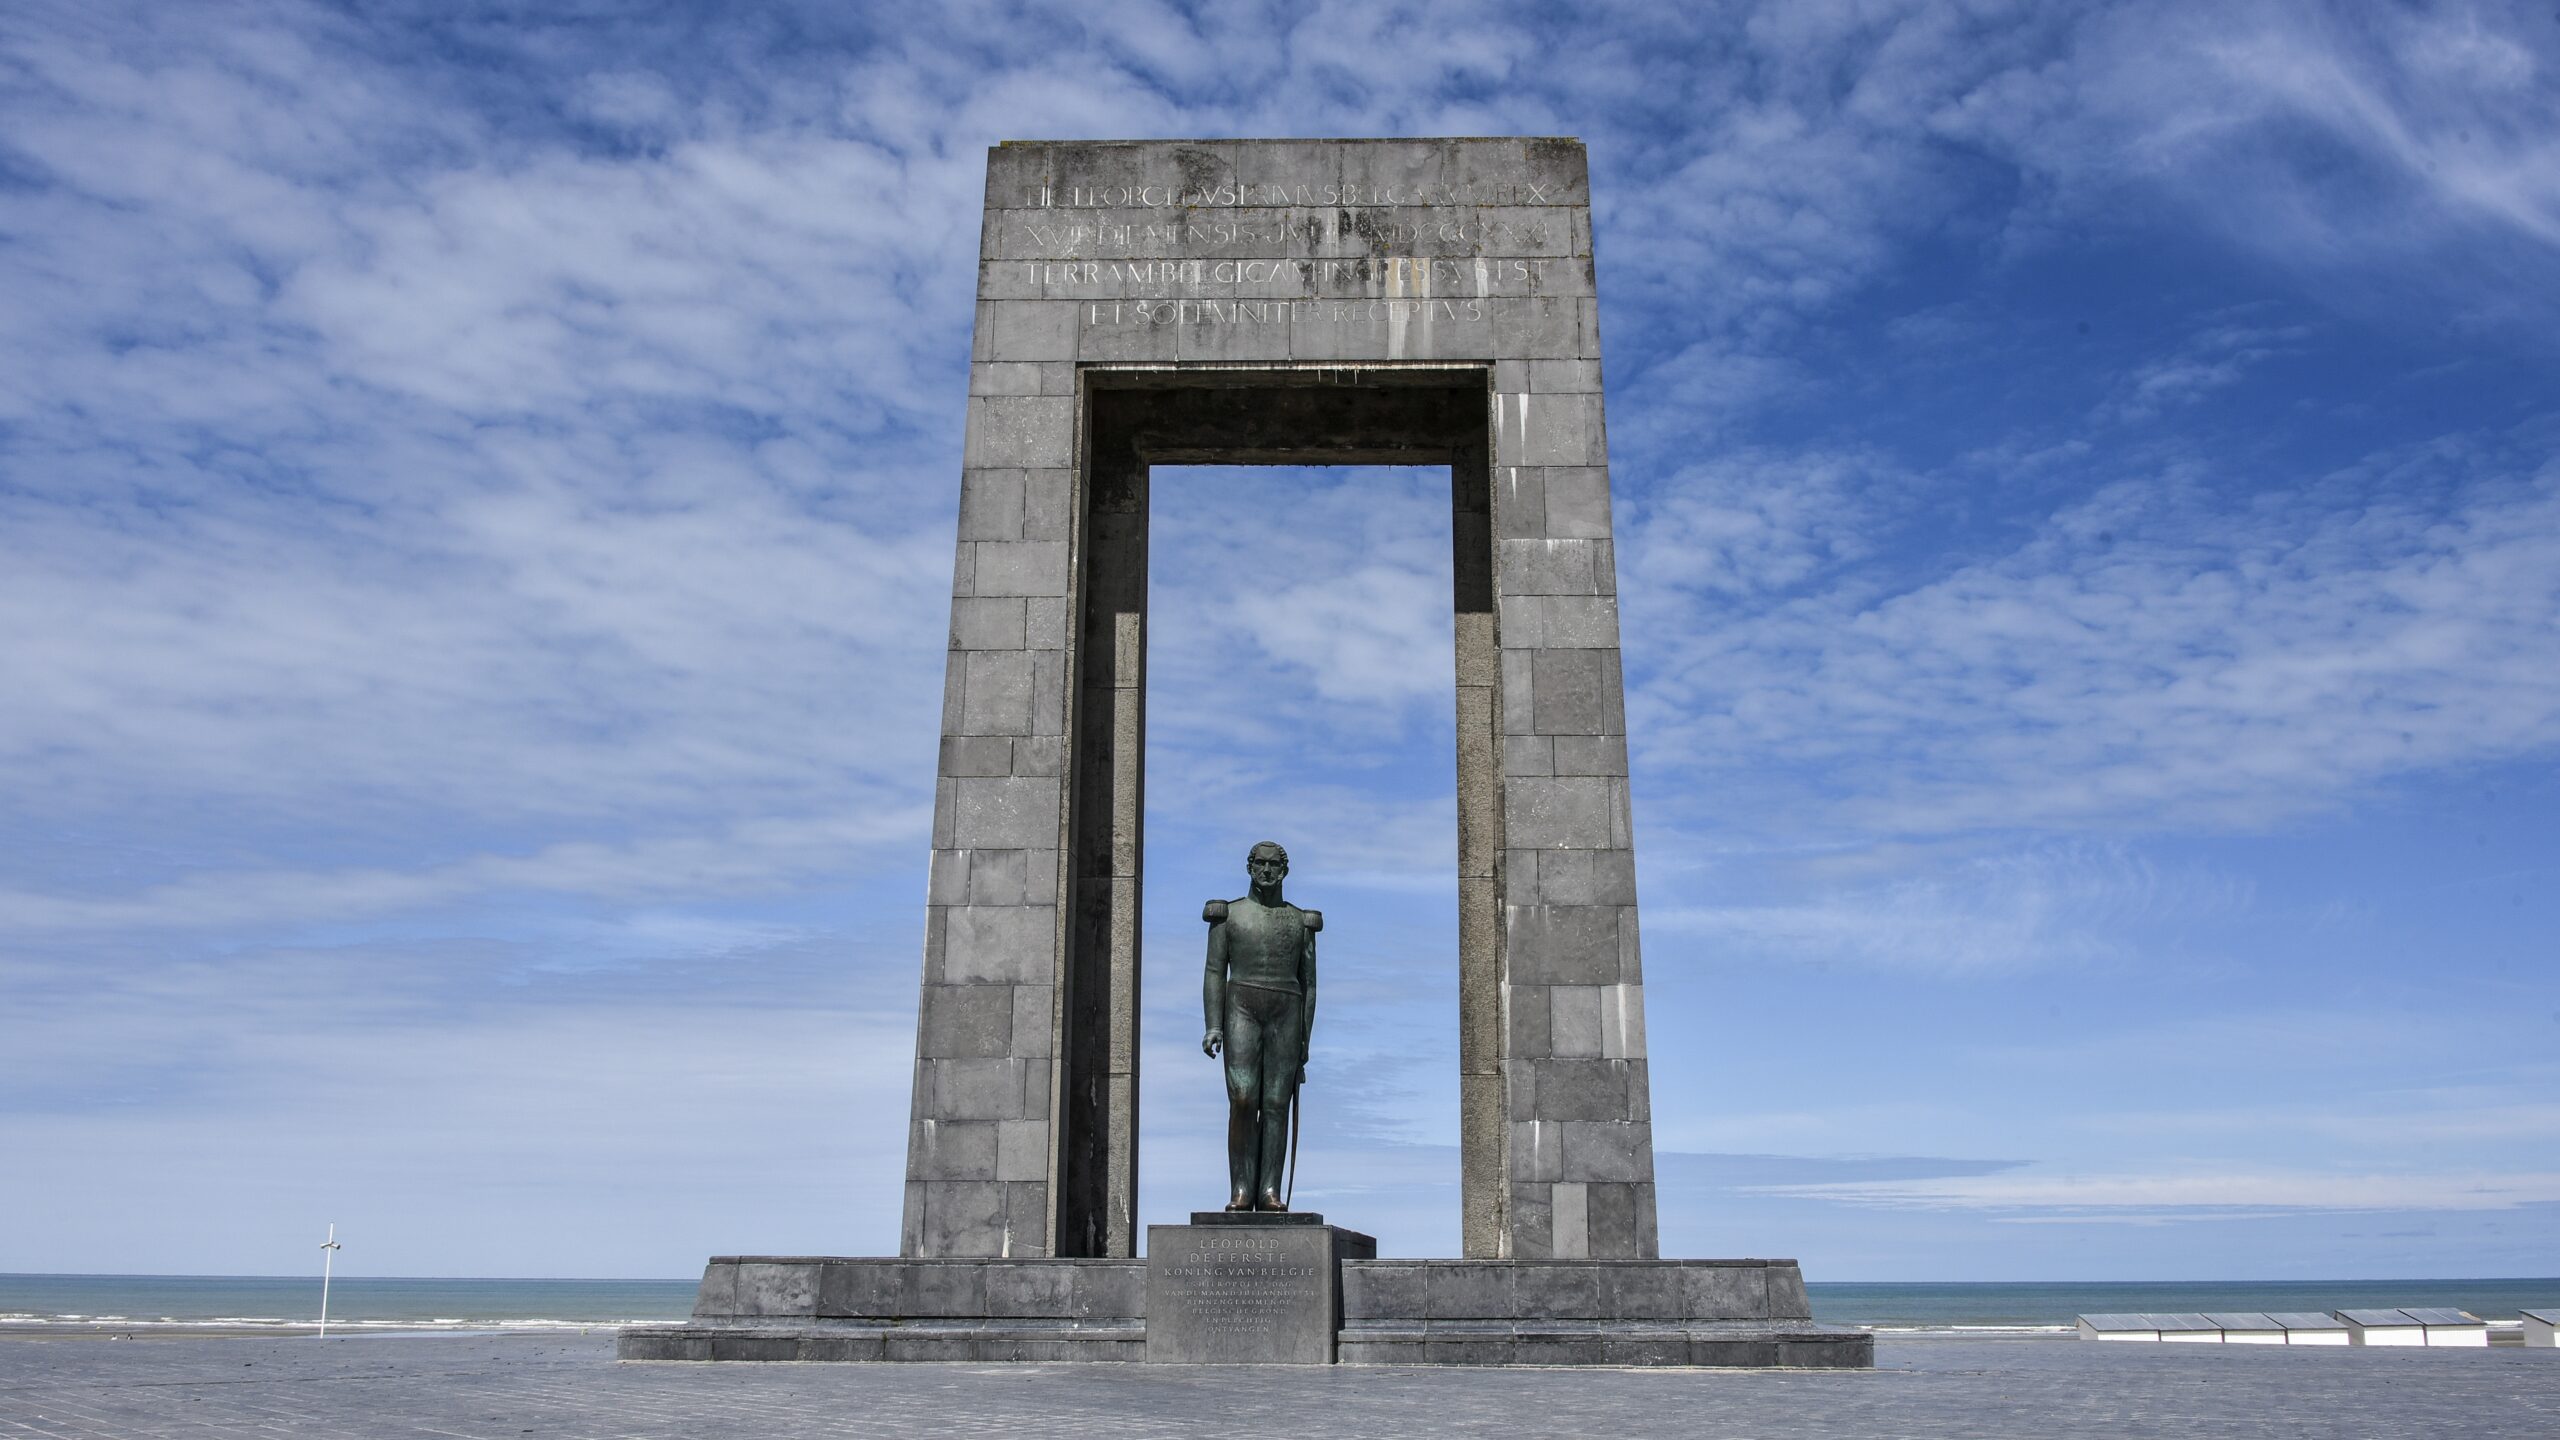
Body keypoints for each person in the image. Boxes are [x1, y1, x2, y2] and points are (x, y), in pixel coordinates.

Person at [1201, 841, 1320, 1211]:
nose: (1266, 871)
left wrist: (1305, 1038)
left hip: (1286, 1008)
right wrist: (1212, 1025)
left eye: (1273, 865)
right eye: (1259, 864)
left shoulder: (1300, 921)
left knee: (1274, 1104)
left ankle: (1269, 1190)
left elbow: (1310, 983)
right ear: (1249, 868)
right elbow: (1214, 971)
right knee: (1242, 1097)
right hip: (1242, 1006)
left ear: (1284, 871)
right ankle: (1241, 1188)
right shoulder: (1228, 915)